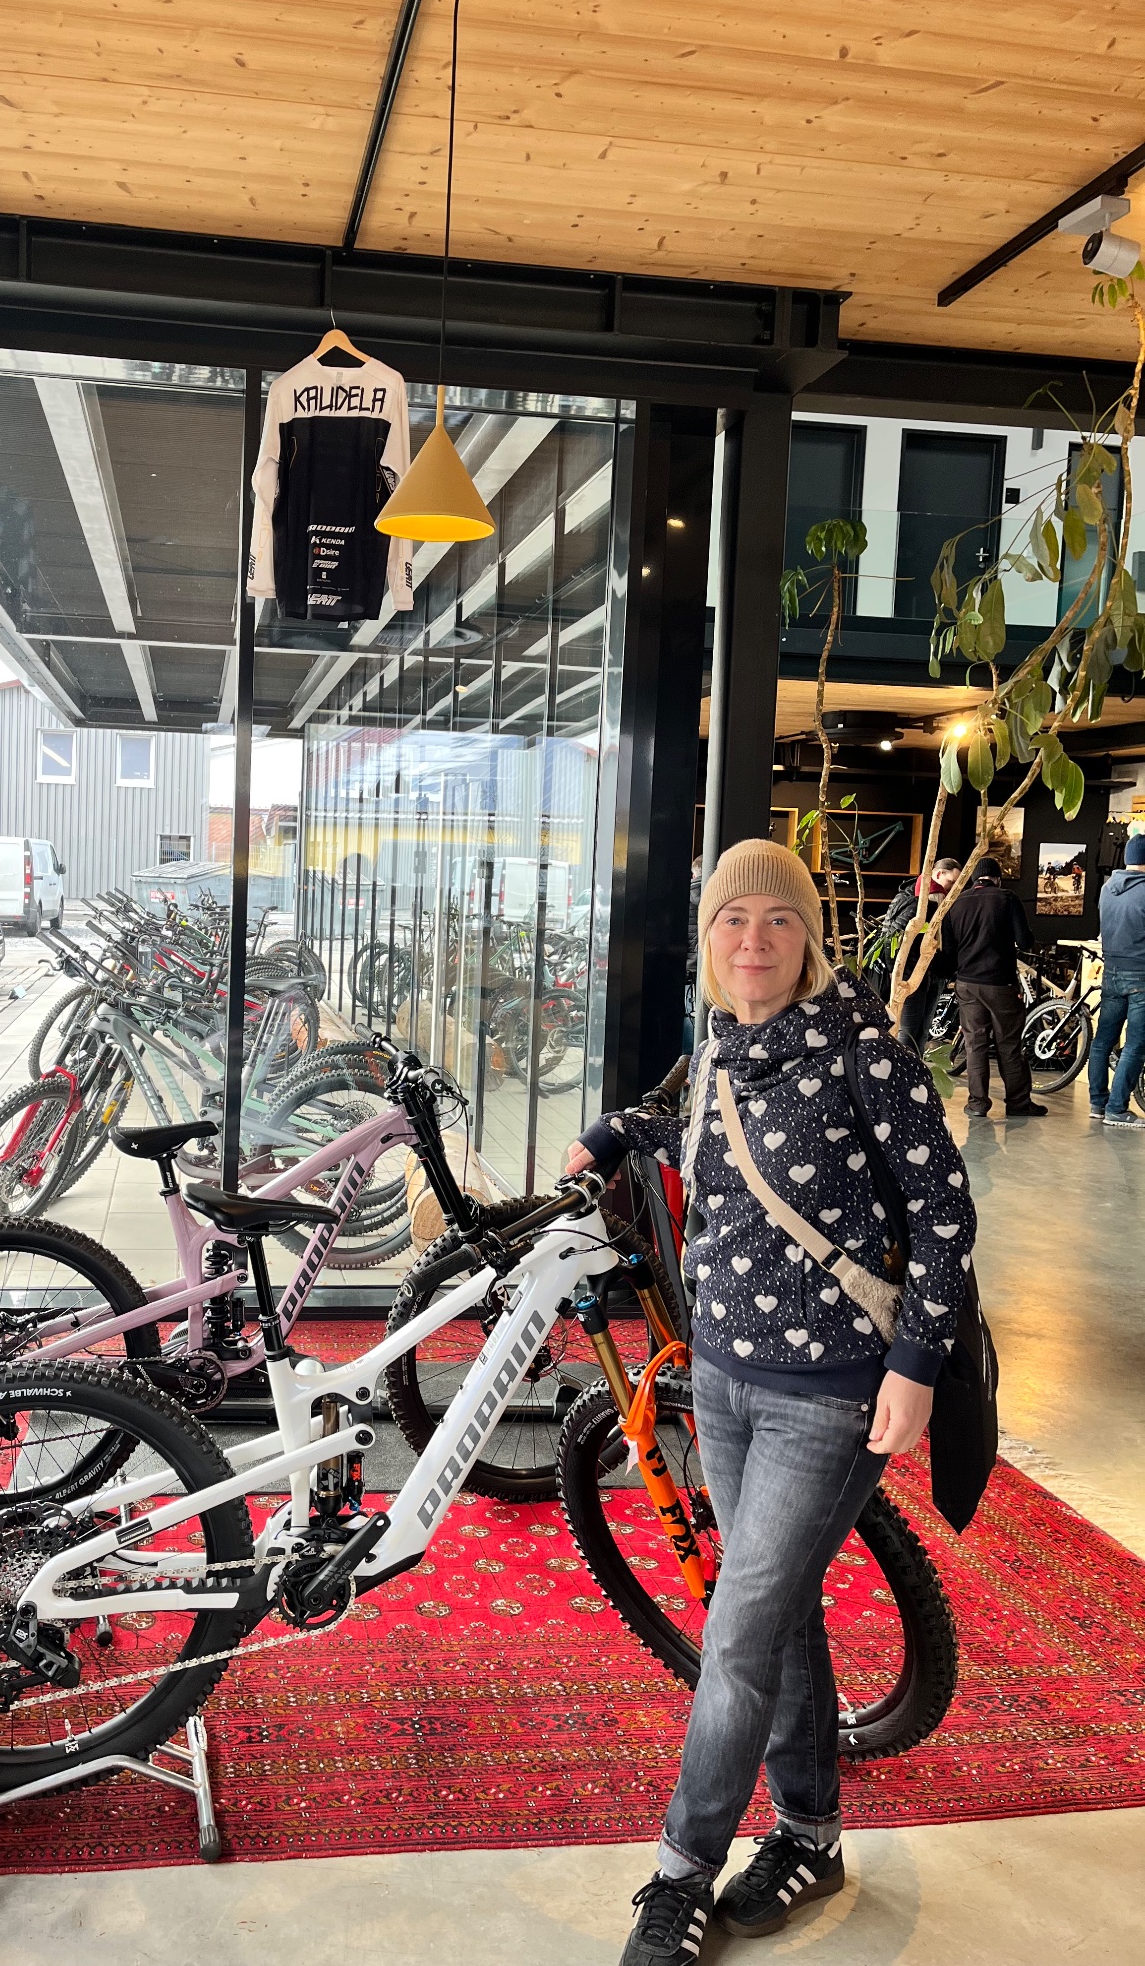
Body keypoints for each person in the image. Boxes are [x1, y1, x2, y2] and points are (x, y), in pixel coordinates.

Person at [565, 838, 976, 1966]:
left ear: (809, 938)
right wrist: (610, 1132)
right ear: (709, 941)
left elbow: (943, 1214)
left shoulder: (865, 1056)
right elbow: (690, 1132)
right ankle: (808, 1834)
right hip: (724, 1378)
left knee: (738, 1634)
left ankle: (678, 1873)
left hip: (830, 1395)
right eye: (731, 919)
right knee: (780, 1612)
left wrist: (915, 1364)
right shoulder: (717, 1051)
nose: (753, 939)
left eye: (777, 918)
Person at [937, 855, 1046, 1118]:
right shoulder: (1007, 898)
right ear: (997, 879)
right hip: (1000, 984)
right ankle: (1018, 1103)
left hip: (967, 984)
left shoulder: (955, 903)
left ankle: (977, 1104)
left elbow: (949, 953)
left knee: (975, 1045)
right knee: (1008, 1044)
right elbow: (1025, 941)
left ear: (974, 879)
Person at [1087, 832, 1145, 1128]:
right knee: (1135, 1045)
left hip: (1111, 972)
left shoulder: (1108, 888)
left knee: (1102, 1042)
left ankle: (1098, 1103)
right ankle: (1117, 1109)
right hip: (1141, 976)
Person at [882, 855, 959, 1052]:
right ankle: (904, 1071)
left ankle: (914, 1069)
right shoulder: (924, 901)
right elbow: (893, 940)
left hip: (924, 976)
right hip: (912, 978)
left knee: (919, 1033)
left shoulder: (910, 896)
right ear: (938, 874)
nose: (953, 889)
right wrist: (899, 974)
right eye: (951, 882)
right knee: (908, 1034)